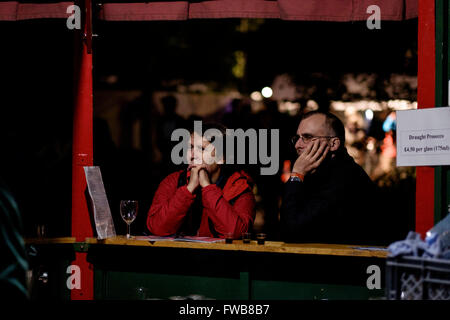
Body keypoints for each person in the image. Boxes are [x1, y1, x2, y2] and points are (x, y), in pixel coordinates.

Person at [280, 111, 381, 245]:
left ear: (333, 144)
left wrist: (297, 175)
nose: (297, 145)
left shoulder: (344, 179)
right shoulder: (323, 172)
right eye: (297, 138)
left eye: (307, 137)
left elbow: (291, 230)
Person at [147, 123, 256, 239]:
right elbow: (157, 228)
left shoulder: (240, 188)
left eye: (202, 149)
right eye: (190, 147)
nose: (193, 155)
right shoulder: (173, 181)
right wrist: (188, 189)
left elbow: (235, 233)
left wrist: (207, 187)